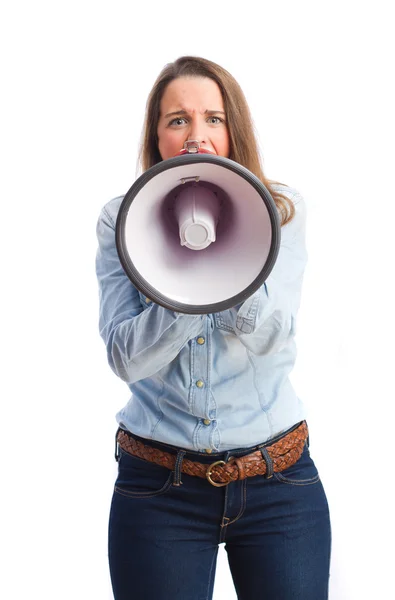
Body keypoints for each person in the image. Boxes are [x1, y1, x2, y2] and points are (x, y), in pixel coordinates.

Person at [95, 56, 331, 600]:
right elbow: (125, 357)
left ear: (234, 130)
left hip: (277, 481)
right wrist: (186, 281)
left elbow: (274, 335)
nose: (196, 135)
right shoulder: (120, 221)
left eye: (213, 119)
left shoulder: (279, 211)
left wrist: (231, 262)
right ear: (156, 136)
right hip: (159, 486)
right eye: (177, 120)